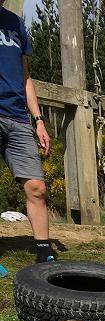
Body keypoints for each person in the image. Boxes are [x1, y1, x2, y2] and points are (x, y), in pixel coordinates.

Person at [0, 0, 55, 263]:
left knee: (37, 187)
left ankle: (44, 256)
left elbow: (25, 77)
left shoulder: (16, 23)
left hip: (18, 117)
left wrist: (39, 120)